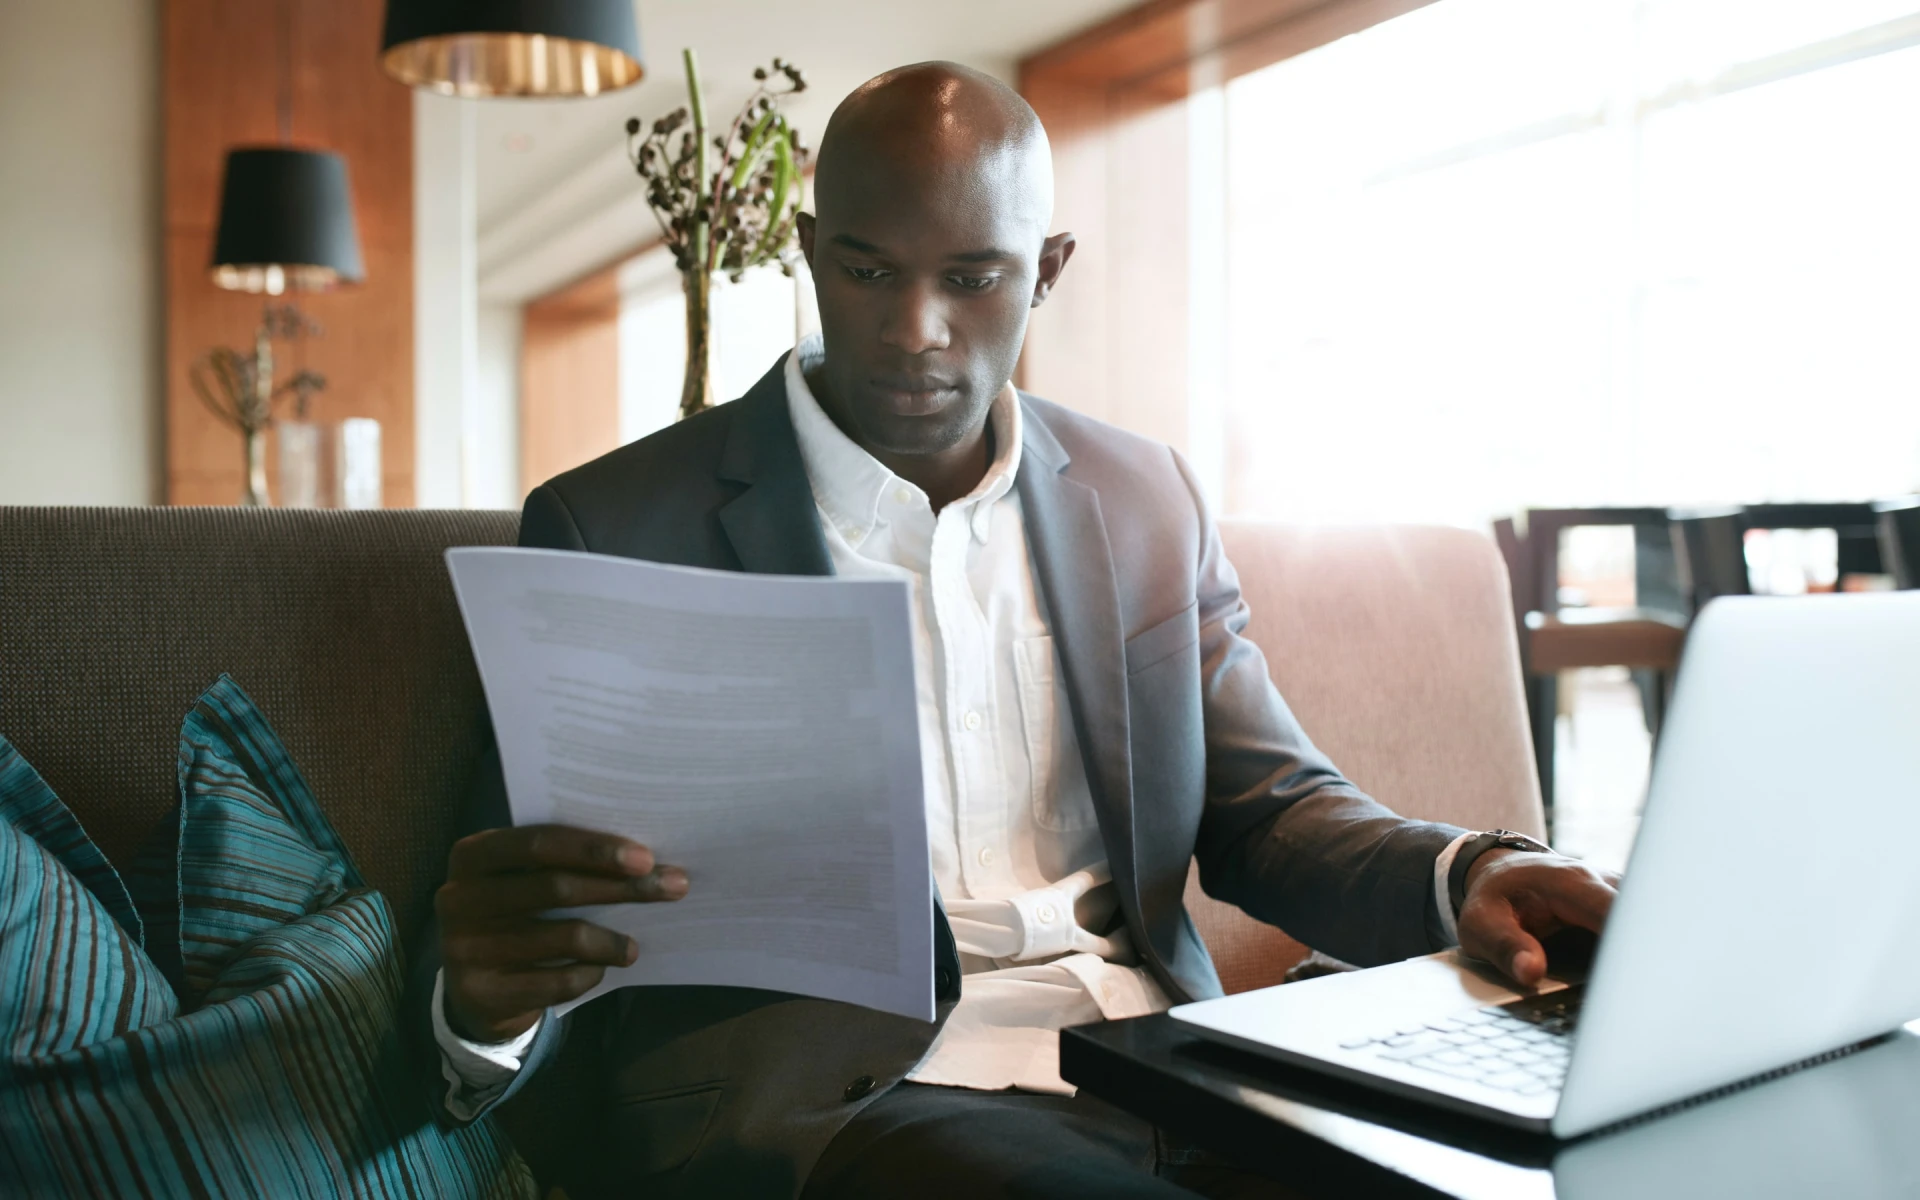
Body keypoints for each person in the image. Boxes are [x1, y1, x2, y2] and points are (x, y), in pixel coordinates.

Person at [417, 62, 1619, 1200]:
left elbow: (1270, 813)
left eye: (974, 278)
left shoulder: (1146, 498)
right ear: (808, 254)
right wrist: (485, 1011)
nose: (916, 331)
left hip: (1165, 1065)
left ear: (1046, 270)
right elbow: (522, 919)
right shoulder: (616, 520)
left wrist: (1473, 870)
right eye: (869, 272)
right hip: (842, 1105)